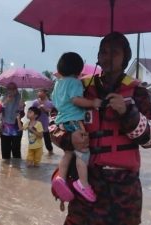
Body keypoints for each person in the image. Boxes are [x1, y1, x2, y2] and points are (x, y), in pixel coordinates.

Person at [64, 32, 151, 225]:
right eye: (104, 52)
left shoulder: (138, 91)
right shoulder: (81, 88)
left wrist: (128, 113)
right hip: (85, 184)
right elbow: (55, 122)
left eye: (115, 52)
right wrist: (69, 139)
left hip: (123, 192)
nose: (108, 57)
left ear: (125, 58)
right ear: (98, 56)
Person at [51, 52, 102, 203]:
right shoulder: (75, 83)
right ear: (78, 70)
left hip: (61, 121)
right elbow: (76, 100)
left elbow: (56, 102)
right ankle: (83, 184)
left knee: (68, 153)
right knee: (83, 153)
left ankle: (60, 177)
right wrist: (92, 103)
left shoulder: (58, 83)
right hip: (74, 121)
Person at [0, 82, 25, 160]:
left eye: (13, 88)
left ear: (16, 89)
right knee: (5, 155)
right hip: (5, 129)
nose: (11, 90)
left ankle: (17, 171)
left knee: (16, 153)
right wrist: (6, 101)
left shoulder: (20, 98)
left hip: (17, 128)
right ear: (7, 89)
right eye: (9, 88)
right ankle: (4, 170)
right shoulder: (2, 98)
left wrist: (21, 108)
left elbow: (22, 115)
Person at [32, 89, 54, 154]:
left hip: (45, 124)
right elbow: (31, 112)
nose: (39, 93)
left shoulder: (49, 103)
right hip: (36, 125)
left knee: (48, 142)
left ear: (45, 93)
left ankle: (50, 153)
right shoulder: (35, 102)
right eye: (38, 91)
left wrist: (44, 108)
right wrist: (37, 109)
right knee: (36, 141)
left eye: (41, 91)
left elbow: (51, 112)